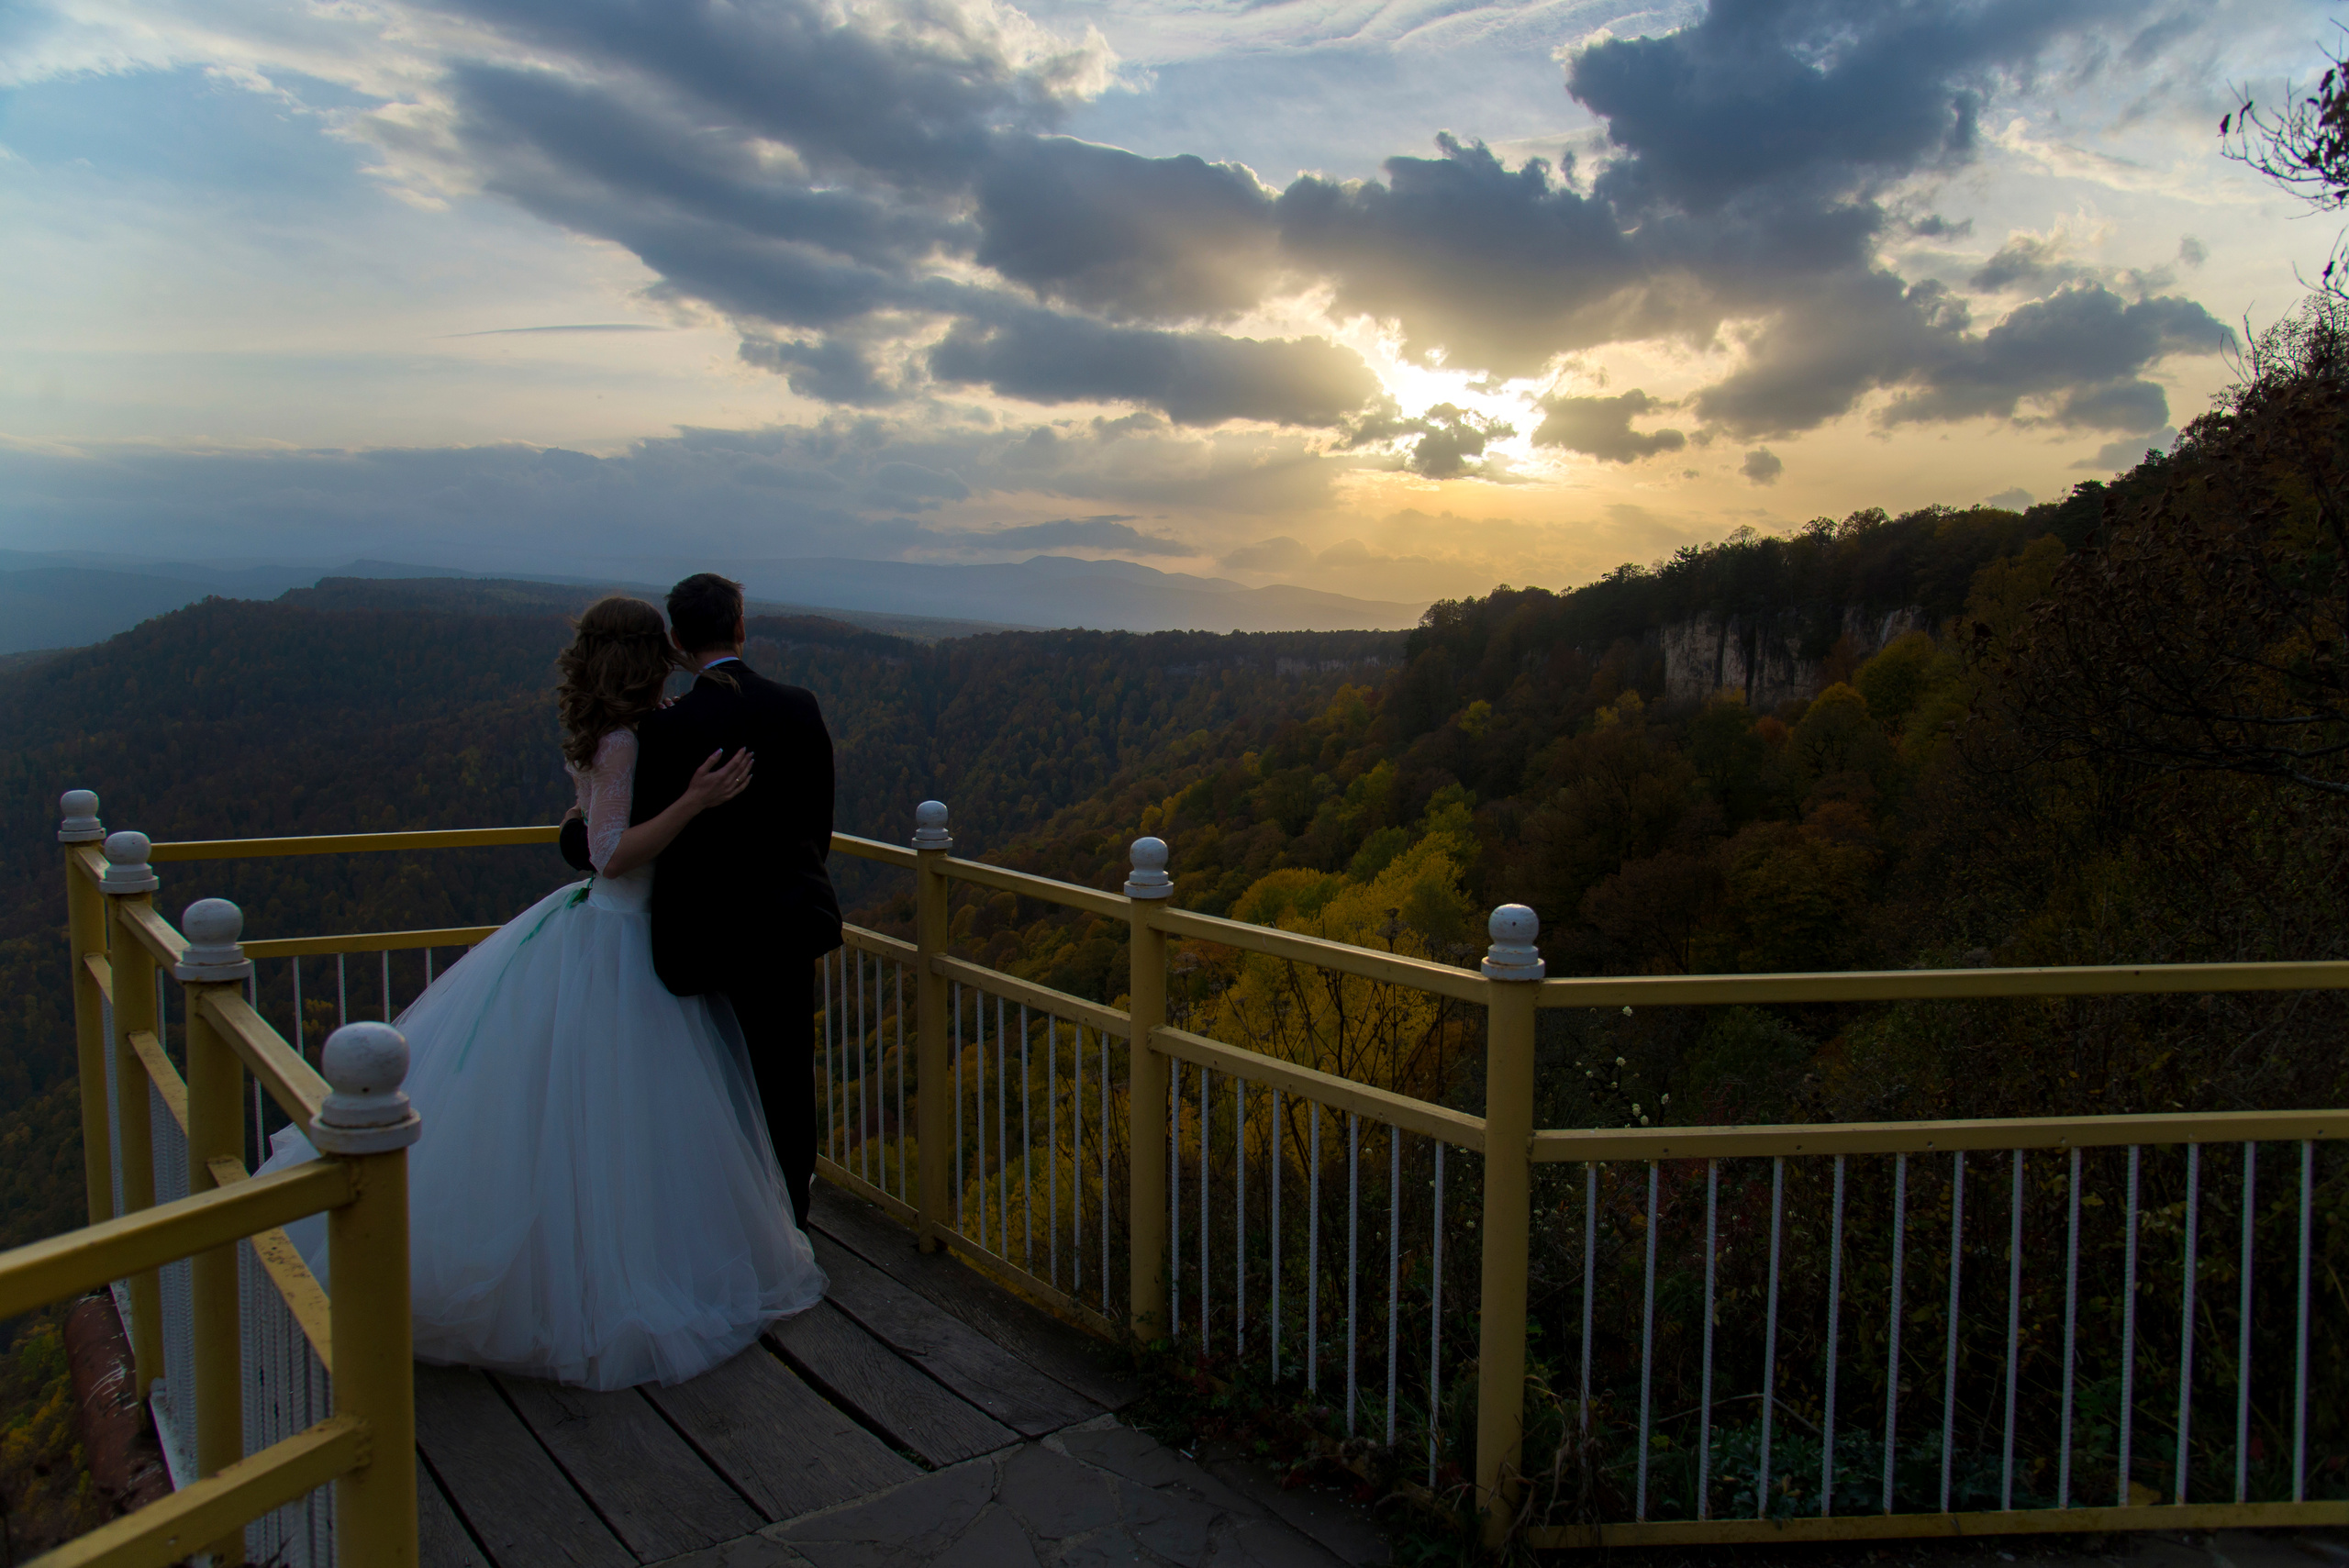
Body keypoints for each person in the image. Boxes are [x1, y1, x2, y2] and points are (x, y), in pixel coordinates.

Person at [261, 595, 826, 1390]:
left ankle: (579, 1256)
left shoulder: (619, 730)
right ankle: (608, 1271)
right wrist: (695, 801)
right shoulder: (632, 736)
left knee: (574, 1115)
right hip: (623, 934)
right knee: (621, 1118)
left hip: (604, 930)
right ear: (646, 653)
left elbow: (583, 819)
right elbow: (608, 852)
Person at [560, 573, 843, 1226]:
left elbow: (627, 833)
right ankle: (788, 1219)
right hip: (783, 922)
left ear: (679, 641)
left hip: (698, 932)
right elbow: (815, 826)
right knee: (783, 1076)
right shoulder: (799, 706)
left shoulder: (663, 731)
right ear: (741, 626)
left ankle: (715, 1213)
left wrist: (574, 835)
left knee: (711, 1080)